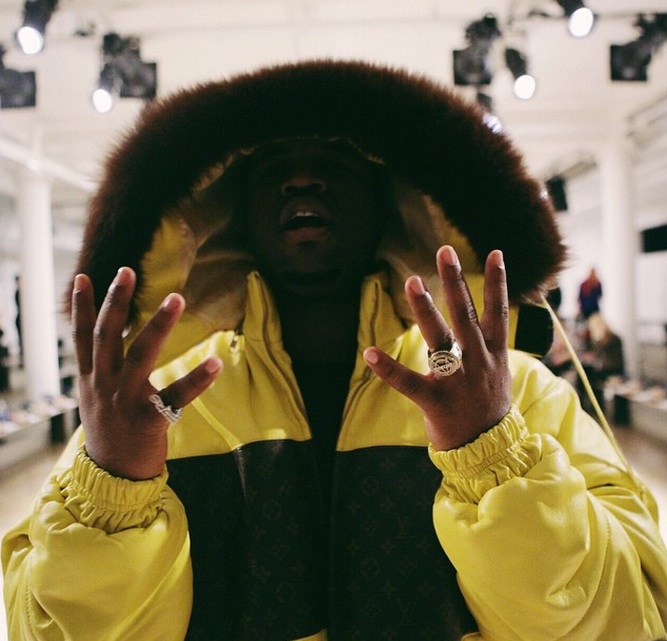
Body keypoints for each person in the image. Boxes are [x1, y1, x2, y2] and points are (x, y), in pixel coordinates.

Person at [3, 60, 667, 641]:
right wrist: (114, 485)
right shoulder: (144, 408)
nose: (302, 181)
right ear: (231, 214)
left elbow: (626, 618)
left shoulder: (514, 394)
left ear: (391, 203)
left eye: (335, 165)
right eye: (272, 171)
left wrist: (494, 456)